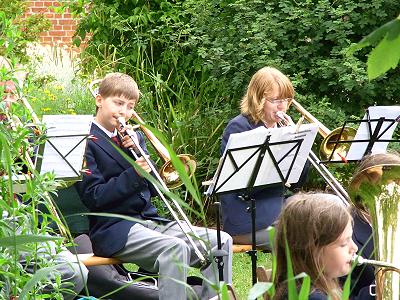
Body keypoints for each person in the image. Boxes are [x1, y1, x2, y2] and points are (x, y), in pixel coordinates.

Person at [75, 72, 233, 300]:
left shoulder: (133, 138)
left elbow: (157, 188)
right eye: (118, 103)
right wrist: (134, 172)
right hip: (115, 228)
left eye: (130, 107)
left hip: (150, 221)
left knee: (221, 241)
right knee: (174, 249)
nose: (124, 113)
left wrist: (137, 155)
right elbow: (94, 197)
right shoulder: (86, 140)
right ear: (99, 100)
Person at [0, 55, 88, 299]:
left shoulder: (21, 129)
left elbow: (31, 185)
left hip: (17, 219)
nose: (8, 102)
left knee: (74, 273)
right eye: (3, 94)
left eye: (12, 94)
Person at [219, 66, 308, 249]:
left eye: (286, 99)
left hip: (276, 210)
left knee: (325, 220)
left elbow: (298, 180)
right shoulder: (239, 127)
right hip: (246, 217)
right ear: (258, 99)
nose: (282, 106)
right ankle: (288, 278)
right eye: (275, 100)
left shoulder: (283, 128)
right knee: (301, 239)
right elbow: (244, 185)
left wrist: (295, 140)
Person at [271, 192, 374, 300]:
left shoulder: (319, 284)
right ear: (312, 250)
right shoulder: (311, 297)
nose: (355, 248)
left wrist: (374, 290)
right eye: (344, 243)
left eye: (351, 239)